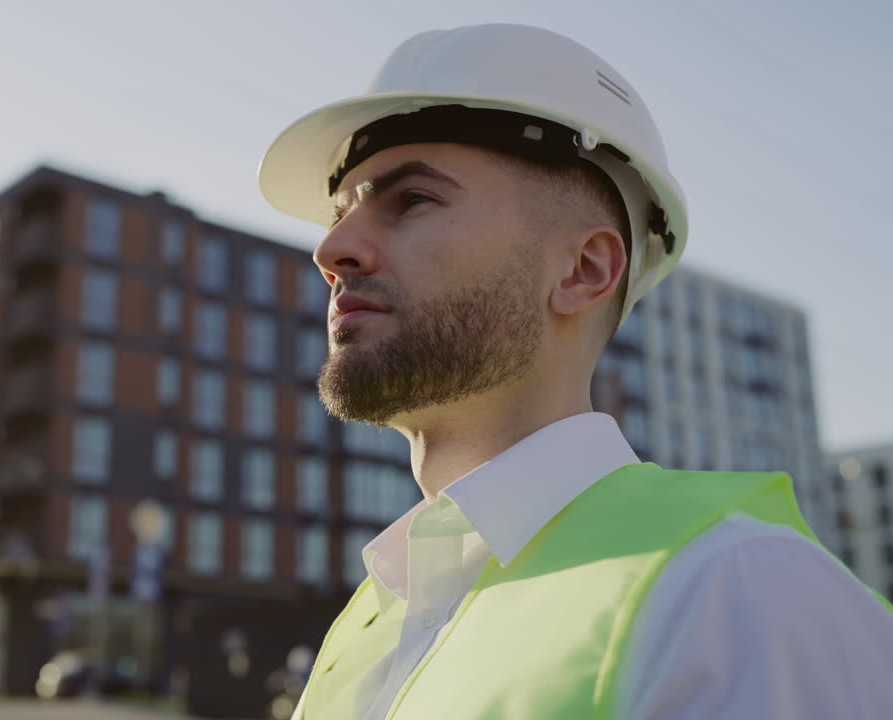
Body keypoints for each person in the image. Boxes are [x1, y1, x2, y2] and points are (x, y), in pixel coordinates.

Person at [257, 24, 893, 719]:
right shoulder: (373, 620)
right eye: (341, 212)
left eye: (410, 200)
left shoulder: (739, 592)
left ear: (584, 271)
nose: (332, 248)